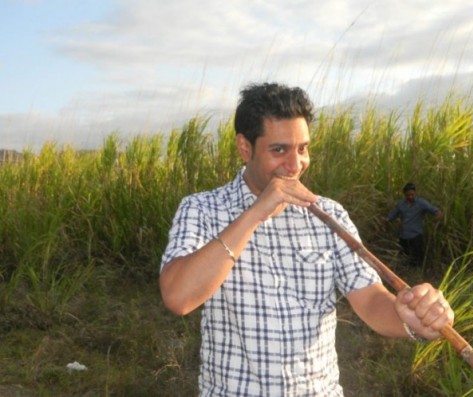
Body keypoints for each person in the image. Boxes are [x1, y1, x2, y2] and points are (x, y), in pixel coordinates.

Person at [159, 82, 454, 396]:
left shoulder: (329, 215)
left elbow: (369, 299)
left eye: (302, 148)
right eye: (279, 150)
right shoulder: (202, 209)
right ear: (245, 148)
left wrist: (409, 320)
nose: (295, 164)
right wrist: (255, 213)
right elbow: (179, 297)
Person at [386, 182, 444, 267]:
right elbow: (392, 215)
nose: (410, 197)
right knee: (405, 257)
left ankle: (418, 273)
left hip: (416, 235)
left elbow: (435, 210)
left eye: (412, 195)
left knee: (418, 258)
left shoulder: (421, 203)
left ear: (415, 193)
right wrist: (385, 220)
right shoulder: (401, 204)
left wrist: (438, 216)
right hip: (404, 235)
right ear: (404, 194)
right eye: (408, 195)